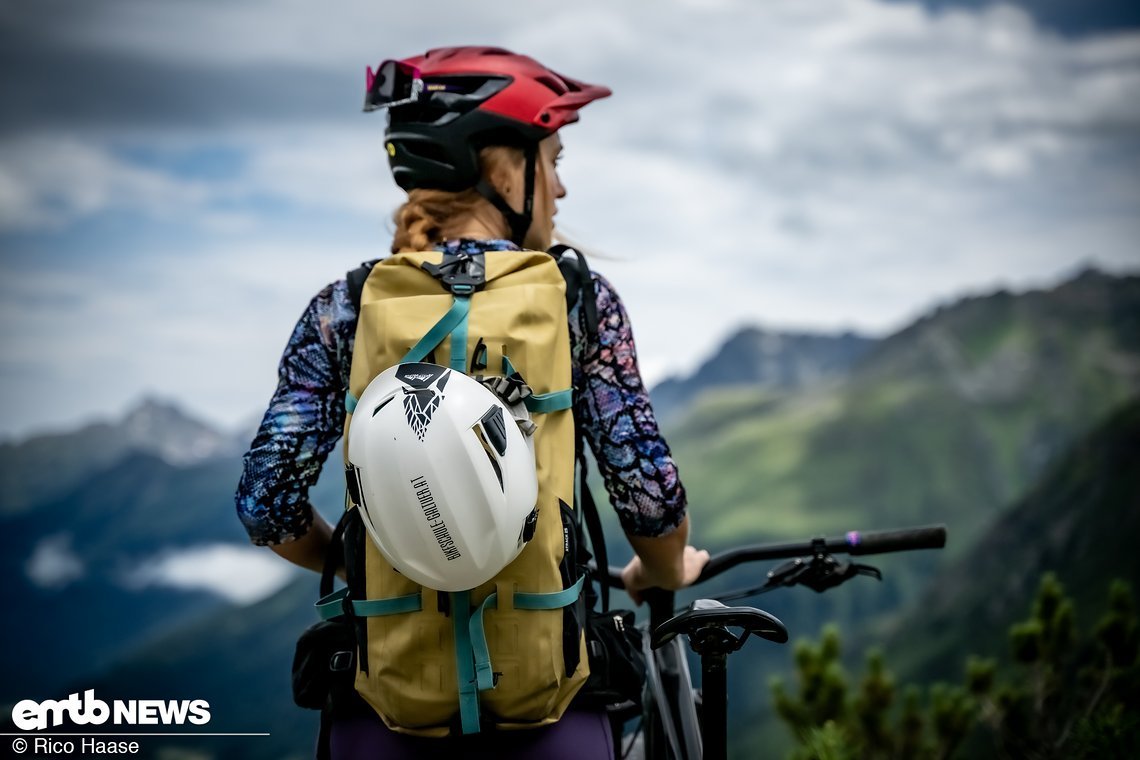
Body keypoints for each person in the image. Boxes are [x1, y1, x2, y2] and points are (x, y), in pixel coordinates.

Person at [235, 45, 709, 759]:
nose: (560, 188)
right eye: (552, 159)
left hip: (386, 716)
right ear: (500, 167)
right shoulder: (579, 304)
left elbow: (266, 501)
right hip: (549, 717)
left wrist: (370, 555)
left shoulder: (346, 309)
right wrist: (663, 573)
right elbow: (649, 497)